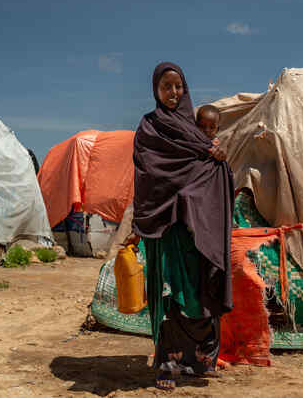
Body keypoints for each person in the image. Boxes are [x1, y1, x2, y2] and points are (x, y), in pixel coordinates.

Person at [123, 62, 234, 391]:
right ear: (155, 90)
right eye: (166, 87)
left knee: (201, 296)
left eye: (178, 87)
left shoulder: (200, 133)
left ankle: (201, 362)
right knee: (173, 298)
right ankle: (167, 367)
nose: (173, 93)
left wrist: (220, 161)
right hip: (167, 229)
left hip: (197, 229)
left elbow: (215, 178)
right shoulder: (150, 128)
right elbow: (149, 176)